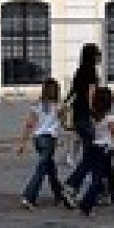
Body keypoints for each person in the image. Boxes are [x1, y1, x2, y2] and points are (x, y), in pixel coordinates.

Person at [15, 77, 72, 210]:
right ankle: (29, 196)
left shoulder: (37, 105)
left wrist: (22, 143)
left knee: (50, 168)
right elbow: (65, 125)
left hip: (37, 140)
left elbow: (29, 124)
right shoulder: (59, 106)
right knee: (41, 169)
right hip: (49, 140)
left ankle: (59, 194)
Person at [77, 85, 114, 215]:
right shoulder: (109, 117)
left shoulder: (92, 116)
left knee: (110, 176)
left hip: (94, 148)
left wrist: (91, 92)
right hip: (106, 149)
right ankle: (86, 204)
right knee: (99, 178)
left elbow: (90, 102)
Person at [62, 42, 101, 201]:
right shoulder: (91, 72)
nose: (99, 56)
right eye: (97, 54)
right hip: (86, 116)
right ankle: (72, 185)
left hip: (78, 114)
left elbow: (73, 92)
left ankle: (100, 189)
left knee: (92, 153)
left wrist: (64, 104)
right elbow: (91, 94)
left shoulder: (79, 71)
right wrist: (95, 113)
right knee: (92, 154)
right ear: (92, 56)